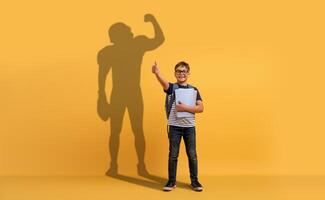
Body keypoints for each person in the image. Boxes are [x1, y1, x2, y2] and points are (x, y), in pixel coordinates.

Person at [97, 14, 164, 176]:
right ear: (119, 36)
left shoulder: (135, 45)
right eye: (127, 30)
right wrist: (102, 96)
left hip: (128, 93)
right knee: (119, 131)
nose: (131, 31)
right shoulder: (119, 49)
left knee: (133, 130)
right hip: (123, 93)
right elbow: (102, 74)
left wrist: (102, 95)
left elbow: (159, 40)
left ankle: (137, 165)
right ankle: (116, 166)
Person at [152, 61, 204, 191]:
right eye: (179, 71)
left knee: (192, 154)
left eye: (184, 71)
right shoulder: (172, 88)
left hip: (189, 128)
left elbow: (201, 108)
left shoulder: (194, 90)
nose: (181, 73)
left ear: (188, 73)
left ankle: (195, 181)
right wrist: (157, 73)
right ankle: (171, 181)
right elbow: (163, 82)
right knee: (173, 155)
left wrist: (184, 107)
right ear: (175, 73)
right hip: (174, 127)